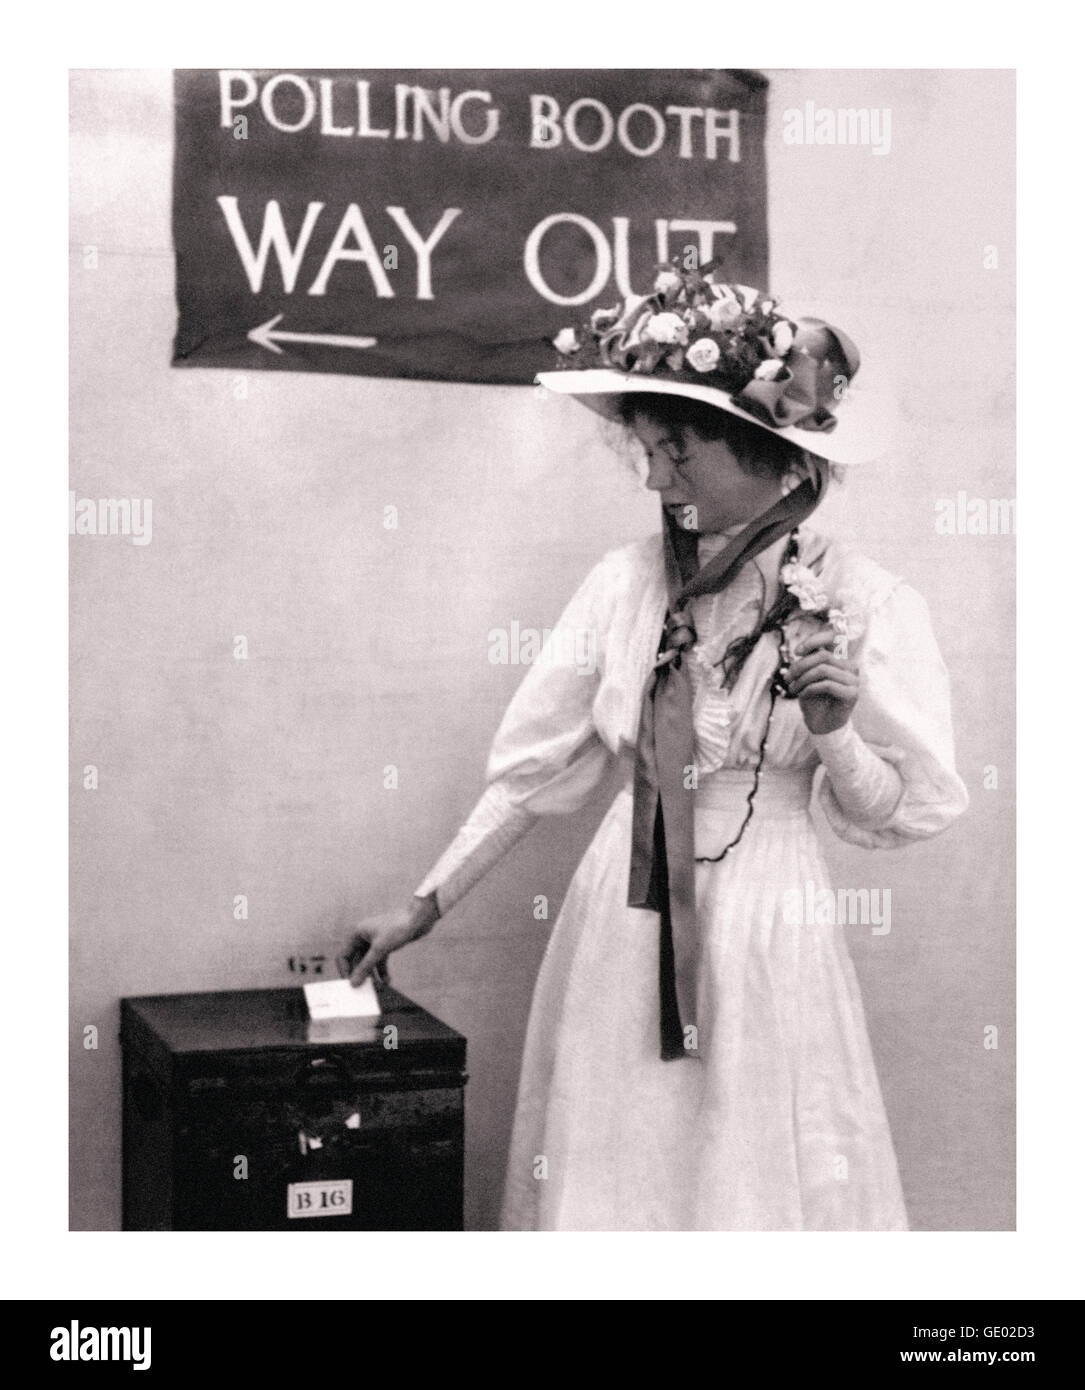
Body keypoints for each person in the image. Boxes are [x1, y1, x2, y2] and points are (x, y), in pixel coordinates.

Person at [346, 268, 969, 1231]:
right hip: (624, 922)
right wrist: (425, 903)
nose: (652, 479)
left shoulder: (868, 603)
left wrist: (837, 736)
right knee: (617, 1169)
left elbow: (903, 809)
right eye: (642, 450)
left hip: (768, 929)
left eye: (676, 452)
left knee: (750, 1178)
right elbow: (535, 772)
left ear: (769, 452)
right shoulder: (623, 586)